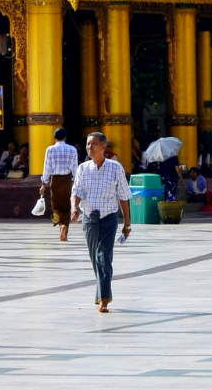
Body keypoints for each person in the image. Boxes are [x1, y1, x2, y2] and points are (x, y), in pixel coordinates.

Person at [69, 131, 131, 313]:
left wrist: (127, 224)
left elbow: (123, 197)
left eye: (93, 144)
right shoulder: (82, 169)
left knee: (103, 256)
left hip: (109, 218)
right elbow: (77, 191)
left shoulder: (115, 168)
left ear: (104, 147)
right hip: (89, 219)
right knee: (95, 258)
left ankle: (104, 299)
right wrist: (74, 208)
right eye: (88, 144)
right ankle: (102, 293)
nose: (90, 147)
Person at [41, 127, 80, 241]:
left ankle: (60, 225)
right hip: (67, 180)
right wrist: (75, 181)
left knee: (56, 206)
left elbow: (46, 168)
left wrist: (44, 183)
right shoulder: (72, 149)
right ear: (65, 138)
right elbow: (75, 167)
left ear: (54, 138)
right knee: (67, 205)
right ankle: (65, 232)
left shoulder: (50, 150)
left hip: (55, 180)